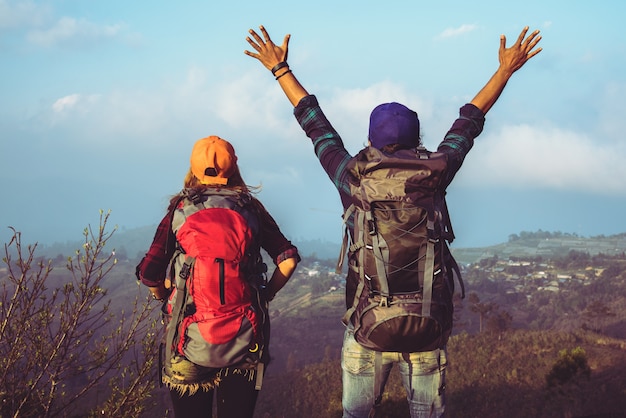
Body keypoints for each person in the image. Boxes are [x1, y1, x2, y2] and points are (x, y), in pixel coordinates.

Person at [244, 25, 542, 417]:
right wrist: (504, 71)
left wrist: (280, 68)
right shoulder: (436, 171)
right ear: (417, 138)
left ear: (370, 140)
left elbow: (315, 125)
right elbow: (469, 123)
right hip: (427, 324)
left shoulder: (352, 177)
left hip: (366, 327)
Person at [136, 135, 300, 418]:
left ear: (193, 169)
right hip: (245, 340)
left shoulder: (179, 210)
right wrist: (266, 294)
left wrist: (165, 296)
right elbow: (288, 261)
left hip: (188, 340)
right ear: (233, 168)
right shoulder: (251, 209)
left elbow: (149, 274)